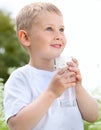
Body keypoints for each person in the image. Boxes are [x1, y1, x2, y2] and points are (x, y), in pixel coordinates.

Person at [4, 2, 98, 130]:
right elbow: (17, 126)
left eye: (61, 29)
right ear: (25, 37)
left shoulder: (66, 75)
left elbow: (92, 116)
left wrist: (78, 87)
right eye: (49, 28)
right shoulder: (21, 78)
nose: (59, 36)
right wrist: (52, 92)